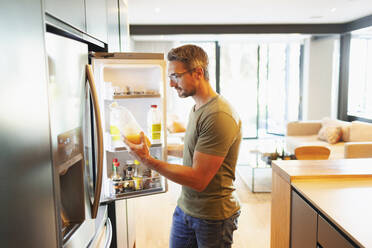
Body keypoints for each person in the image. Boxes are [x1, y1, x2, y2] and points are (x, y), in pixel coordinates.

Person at [124, 44, 242, 248]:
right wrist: (159, 149)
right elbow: (195, 151)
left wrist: (147, 160)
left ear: (198, 72)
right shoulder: (198, 107)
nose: (171, 84)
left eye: (175, 76)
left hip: (212, 218)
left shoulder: (218, 115)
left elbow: (198, 179)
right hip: (186, 208)